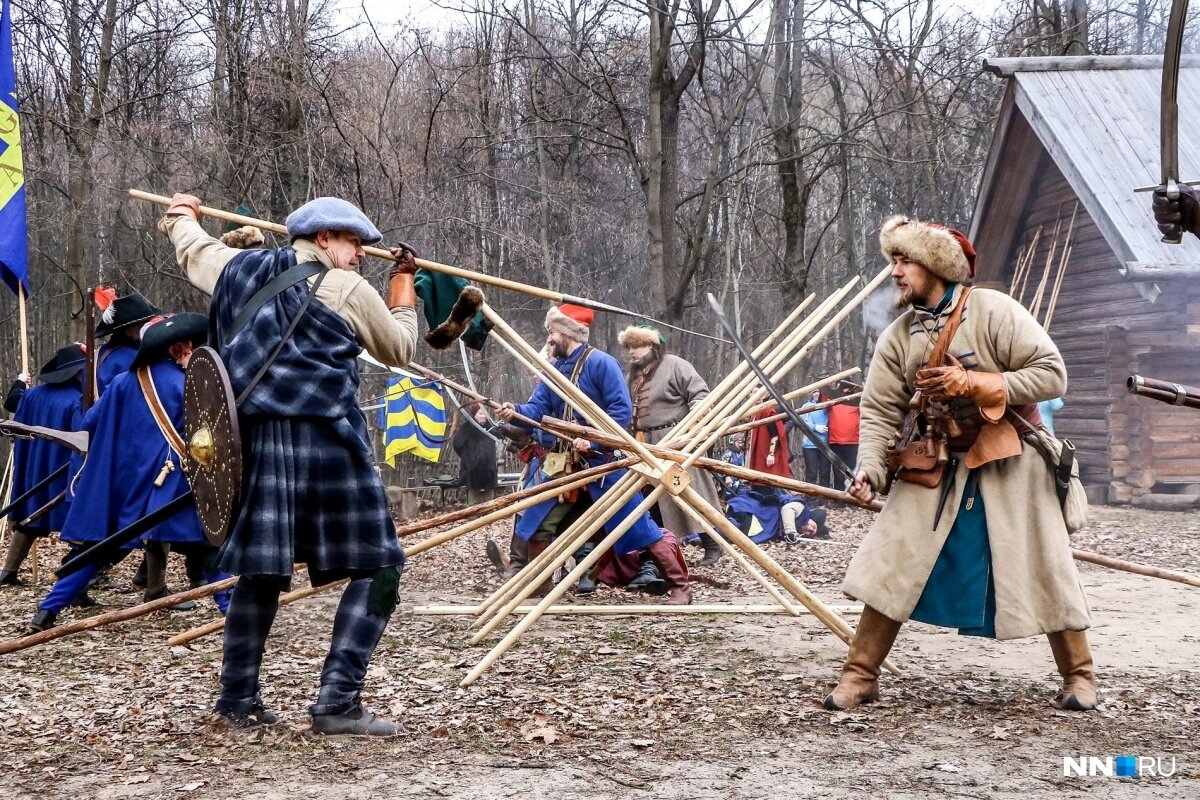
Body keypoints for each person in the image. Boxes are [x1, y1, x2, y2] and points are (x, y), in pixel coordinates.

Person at [160, 193, 418, 736]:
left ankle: (237, 702)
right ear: (324, 238)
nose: (361, 254)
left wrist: (182, 215)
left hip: (255, 443)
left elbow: (195, 251)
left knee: (262, 569)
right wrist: (403, 293)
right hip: (326, 440)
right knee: (383, 564)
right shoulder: (347, 287)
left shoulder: (241, 268)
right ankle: (338, 702)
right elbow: (399, 350)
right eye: (353, 243)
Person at [826, 215, 1095, 713]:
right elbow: (881, 410)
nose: (895, 272)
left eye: (904, 260)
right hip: (937, 461)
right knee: (894, 556)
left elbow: (1052, 374)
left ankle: (1080, 676)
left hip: (1012, 456)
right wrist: (871, 472)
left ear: (936, 265)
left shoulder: (995, 311)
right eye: (893, 261)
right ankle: (859, 675)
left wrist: (976, 383)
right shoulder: (900, 335)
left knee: (1045, 564)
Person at [26, 315, 230, 632]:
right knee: (207, 551)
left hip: (127, 489)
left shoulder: (122, 382)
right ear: (175, 349)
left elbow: (87, 424)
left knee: (97, 551)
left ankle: (46, 612)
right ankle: (231, 611)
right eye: (187, 345)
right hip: (169, 486)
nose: (191, 349)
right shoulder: (187, 383)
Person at [497, 304, 692, 604]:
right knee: (538, 517)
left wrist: (596, 442)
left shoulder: (602, 364)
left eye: (552, 332)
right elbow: (537, 409)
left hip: (603, 462)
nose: (548, 339)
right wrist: (516, 412)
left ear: (567, 333)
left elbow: (621, 412)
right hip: (562, 463)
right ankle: (540, 583)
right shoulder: (554, 370)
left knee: (635, 522)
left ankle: (680, 586)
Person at [618, 324, 725, 566]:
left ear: (652, 346)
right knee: (652, 499)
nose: (632, 352)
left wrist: (696, 415)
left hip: (675, 441)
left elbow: (699, 394)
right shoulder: (632, 375)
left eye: (637, 346)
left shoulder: (676, 365)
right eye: (630, 347)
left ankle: (712, 545)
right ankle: (660, 552)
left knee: (690, 493)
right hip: (644, 443)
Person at [0, 344, 86, 586]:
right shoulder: (77, 400)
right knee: (80, 524)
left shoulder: (33, 395)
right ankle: (78, 580)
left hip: (34, 468)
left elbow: (14, 403)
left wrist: (19, 386)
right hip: (61, 469)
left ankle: (9, 570)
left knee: (31, 518)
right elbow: (83, 438)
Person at [452, 403, 499, 505]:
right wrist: (468, 459)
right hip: (472, 472)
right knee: (474, 506)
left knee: (489, 505)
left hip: (489, 472)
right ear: (474, 415)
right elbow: (457, 444)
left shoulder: (491, 428)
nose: (483, 416)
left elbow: (501, 439)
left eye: (484, 414)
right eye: (480, 414)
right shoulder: (466, 428)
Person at [746, 402, 790, 484]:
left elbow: (775, 433)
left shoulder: (766, 411)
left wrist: (771, 454)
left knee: (767, 482)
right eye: (753, 392)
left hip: (765, 453)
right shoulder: (753, 413)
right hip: (757, 453)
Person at [826, 382, 861, 487]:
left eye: (849, 389)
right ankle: (839, 499)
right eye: (844, 388)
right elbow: (822, 395)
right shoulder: (833, 400)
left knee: (852, 472)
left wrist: (861, 390)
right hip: (835, 441)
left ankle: (852, 497)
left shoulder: (857, 401)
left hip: (853, 442)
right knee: (838, 473)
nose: (847, 391)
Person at [798, 390, 832, 489]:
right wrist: (814, 427)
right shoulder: (806, 406)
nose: (817, 394)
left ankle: (824, 499)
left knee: (825, 473)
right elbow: (801, 421)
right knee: (811, 473)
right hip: (810, 444)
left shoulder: (829, 405)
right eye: (814, 392)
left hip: (826, 444)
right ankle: (810, 499)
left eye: (819, 391)